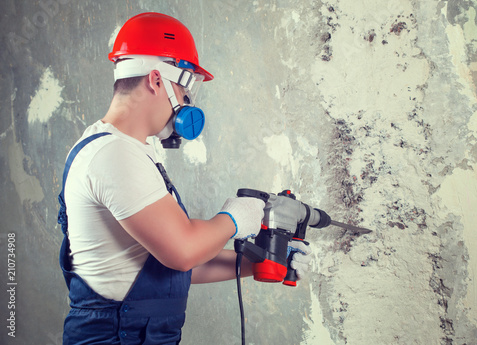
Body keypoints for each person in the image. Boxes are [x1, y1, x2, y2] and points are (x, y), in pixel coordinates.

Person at [57, 12, 310, 345]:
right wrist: (235, 217)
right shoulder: (113, 154)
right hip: (115, 337)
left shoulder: (131, 151)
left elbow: (173, 267)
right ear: (156, 80)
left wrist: (260, 261)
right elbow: (183, 250)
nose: (188, 102)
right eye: (186, 86)